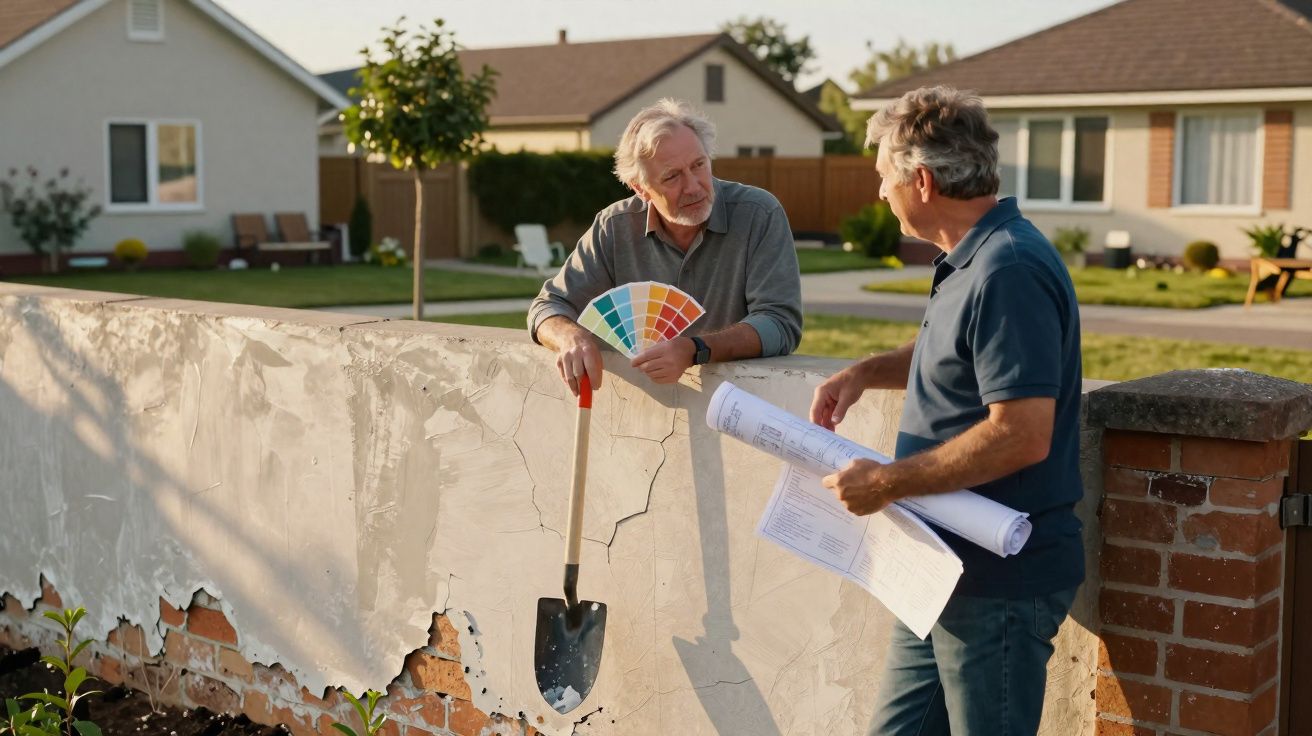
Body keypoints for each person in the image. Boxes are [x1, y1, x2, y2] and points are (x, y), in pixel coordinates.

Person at [809, 86, 1084, 736]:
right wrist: (865, 373)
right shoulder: (970, 259)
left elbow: (1020, 435)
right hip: (939, 572)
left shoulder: (1007, 268)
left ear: (922, 181)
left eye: (883, 177)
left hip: (998, 588)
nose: (880, 193)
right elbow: (954, 352)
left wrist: (883, 483)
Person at [528, 98, 802, 395]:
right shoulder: (614, 227)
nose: (694, 185)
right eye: (672, 176)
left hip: (738, 404)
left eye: (699, 165)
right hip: (635, 415)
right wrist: (571, 337)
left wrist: (695, 349)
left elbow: (780, 323)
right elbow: (547, 307)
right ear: (641, 189)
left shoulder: (758, 213)